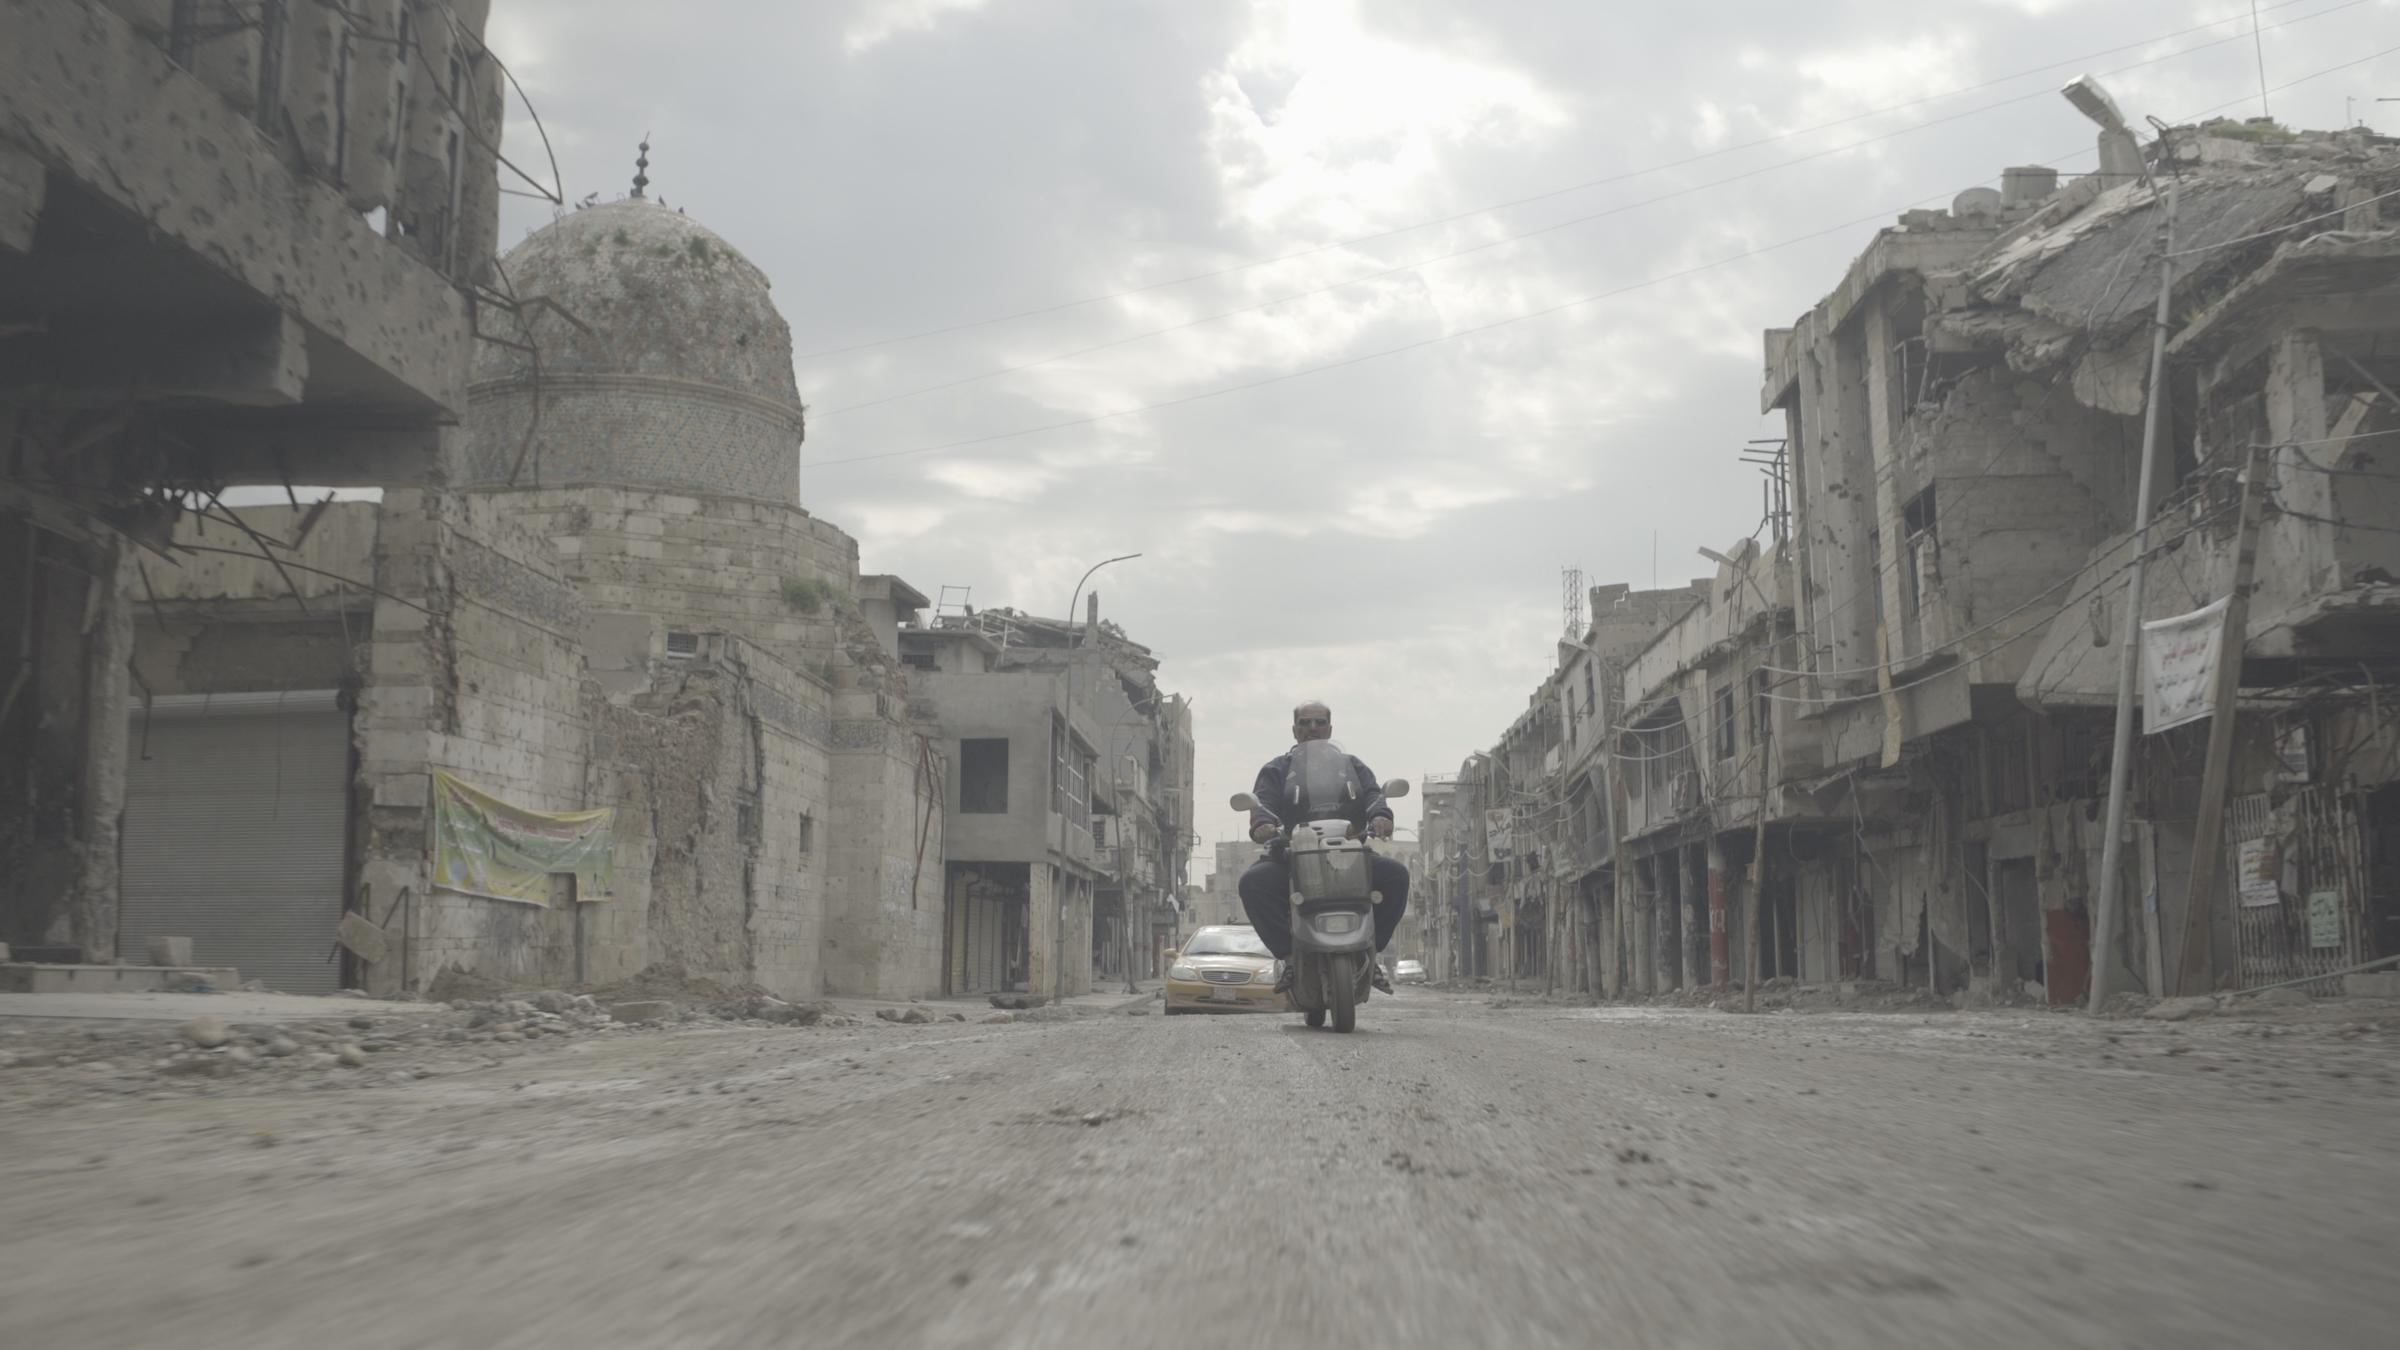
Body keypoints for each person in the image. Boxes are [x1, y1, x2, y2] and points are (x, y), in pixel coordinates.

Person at [1237, 700, 1409, 994]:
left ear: (1330, 728)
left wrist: (1381, 816)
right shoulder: (1277, 769)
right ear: (1294, 730)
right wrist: (1262, 825)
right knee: (1252, 883)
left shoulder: (1351, 766)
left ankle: (1371, 952)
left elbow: (1373, 795)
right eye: (1305, 723)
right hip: (1289, 856)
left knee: (1397, 875)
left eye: (1319, 722)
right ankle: (1289, 957)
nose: (1312, 728)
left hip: (1349, 855)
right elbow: (1262, 802)